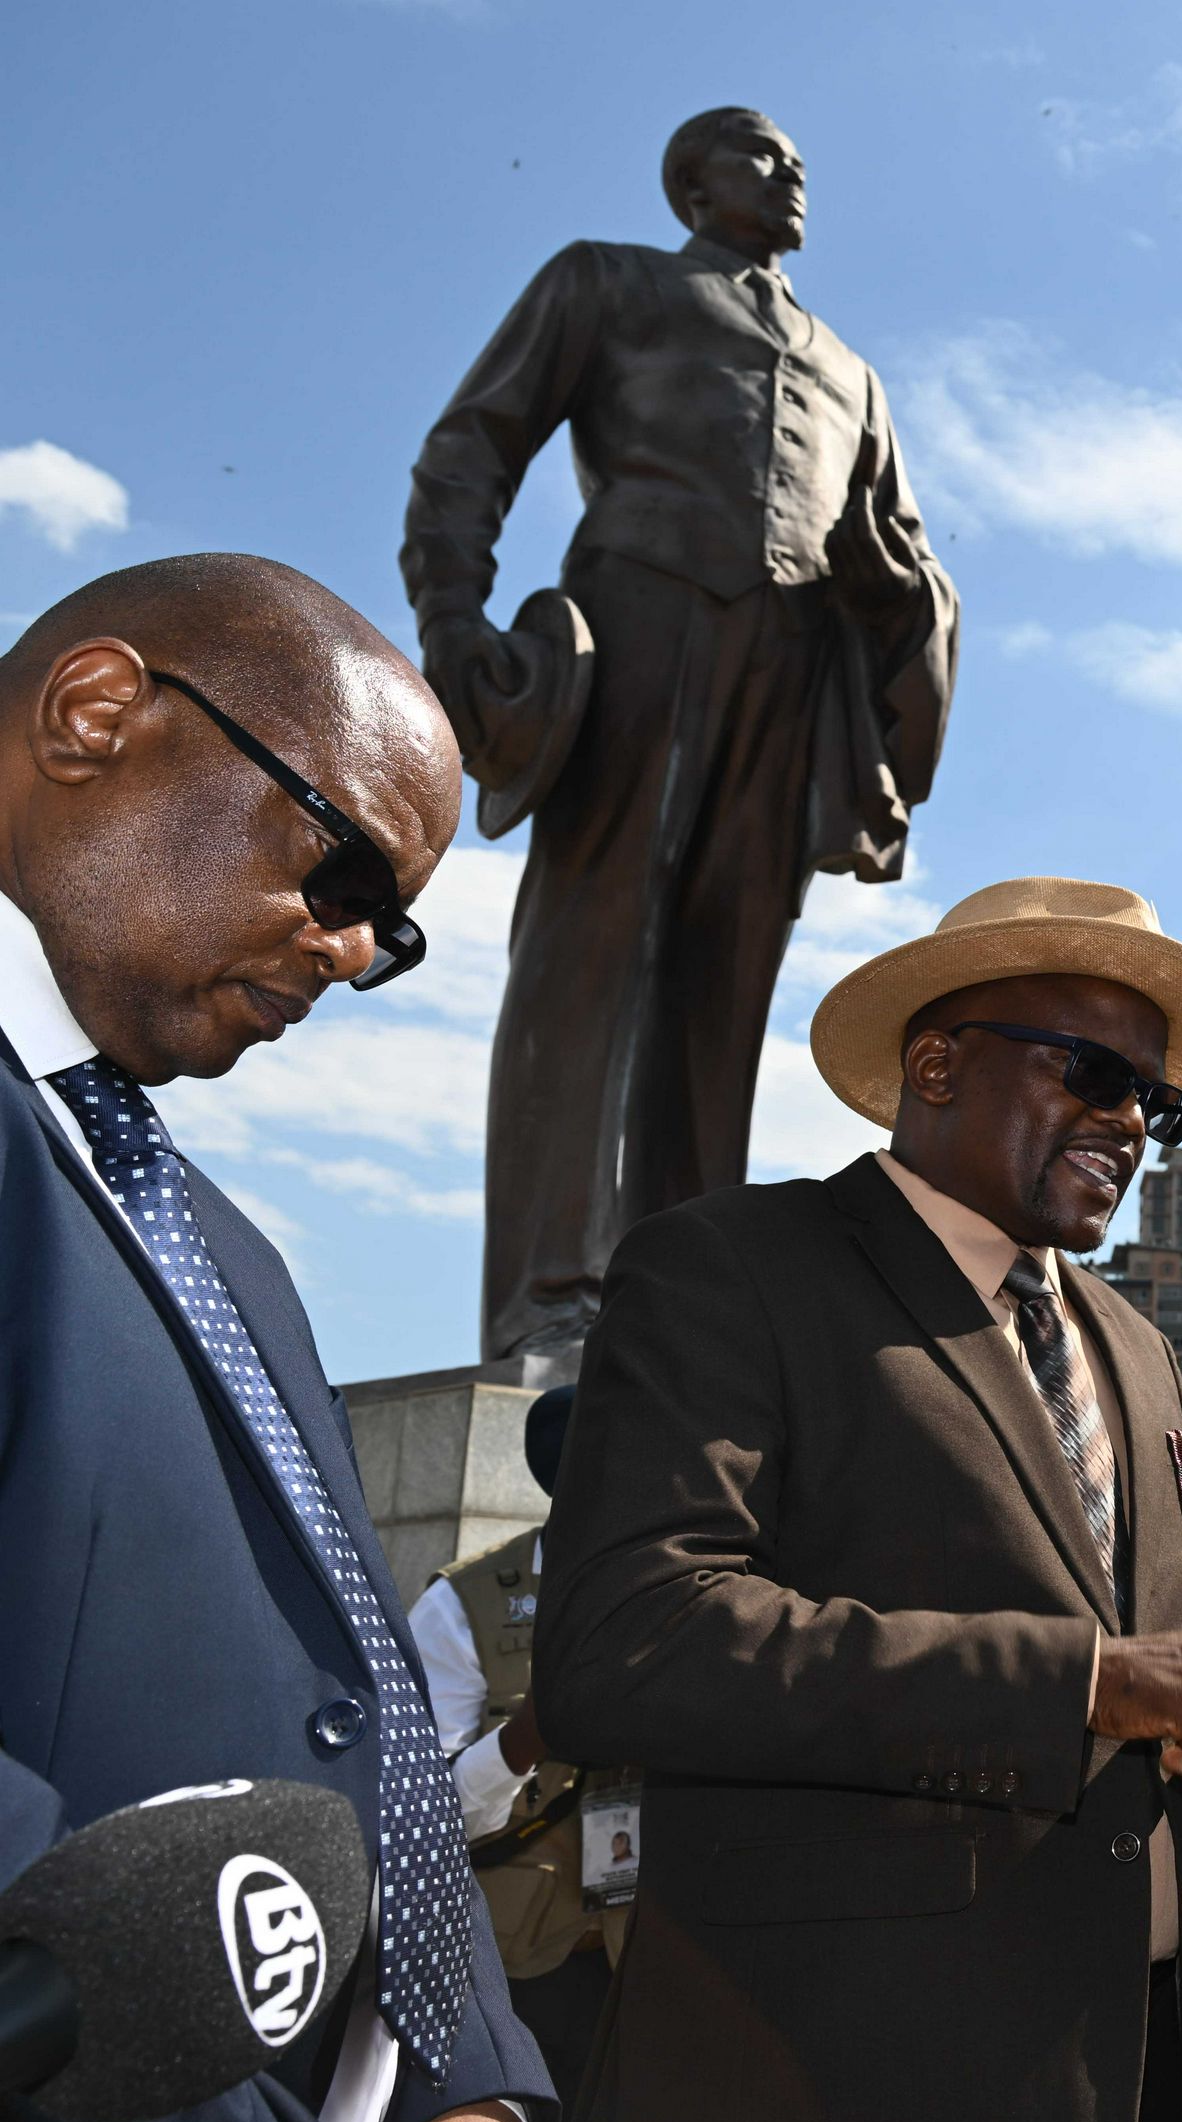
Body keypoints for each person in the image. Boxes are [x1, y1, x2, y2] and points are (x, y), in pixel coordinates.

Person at [532, 878, 1182, 2122]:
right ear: (937, 1063)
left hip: (1141, 2070)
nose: (1130, 1122)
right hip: (842, 2084)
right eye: (1095, 1073)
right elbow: (625, 1638)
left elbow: (1173, 1635)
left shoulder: (1136, 1346)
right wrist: (1079, 1683)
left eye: (1156, 1102)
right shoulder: (733, 1266)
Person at [0, 555, 549, 2122]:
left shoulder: (228, 1254)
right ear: (98, 715)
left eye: (396, 930)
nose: (355, 954)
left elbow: (364, 1694)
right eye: (344, 867)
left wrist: (467, 2092)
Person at [403, 105, 961, 1372]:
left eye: (796, 157)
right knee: (586, 954)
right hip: (634, 625)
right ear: (690, 185)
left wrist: (897, 620)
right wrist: (455, 622)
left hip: (790, 669)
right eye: (759, 150)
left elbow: (907, 558)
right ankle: (549, 1294)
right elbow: (471, 446)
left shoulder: (851, 371)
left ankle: (685, 1309)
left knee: (724, 992)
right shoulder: (606, 283)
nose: (791, 169)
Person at [406, 1386, 635, 2122]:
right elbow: (421, 1811)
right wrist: (525, 1739)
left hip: (657, 1951)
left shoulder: (689, 1583)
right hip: (523, 1963)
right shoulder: (463, 1604)